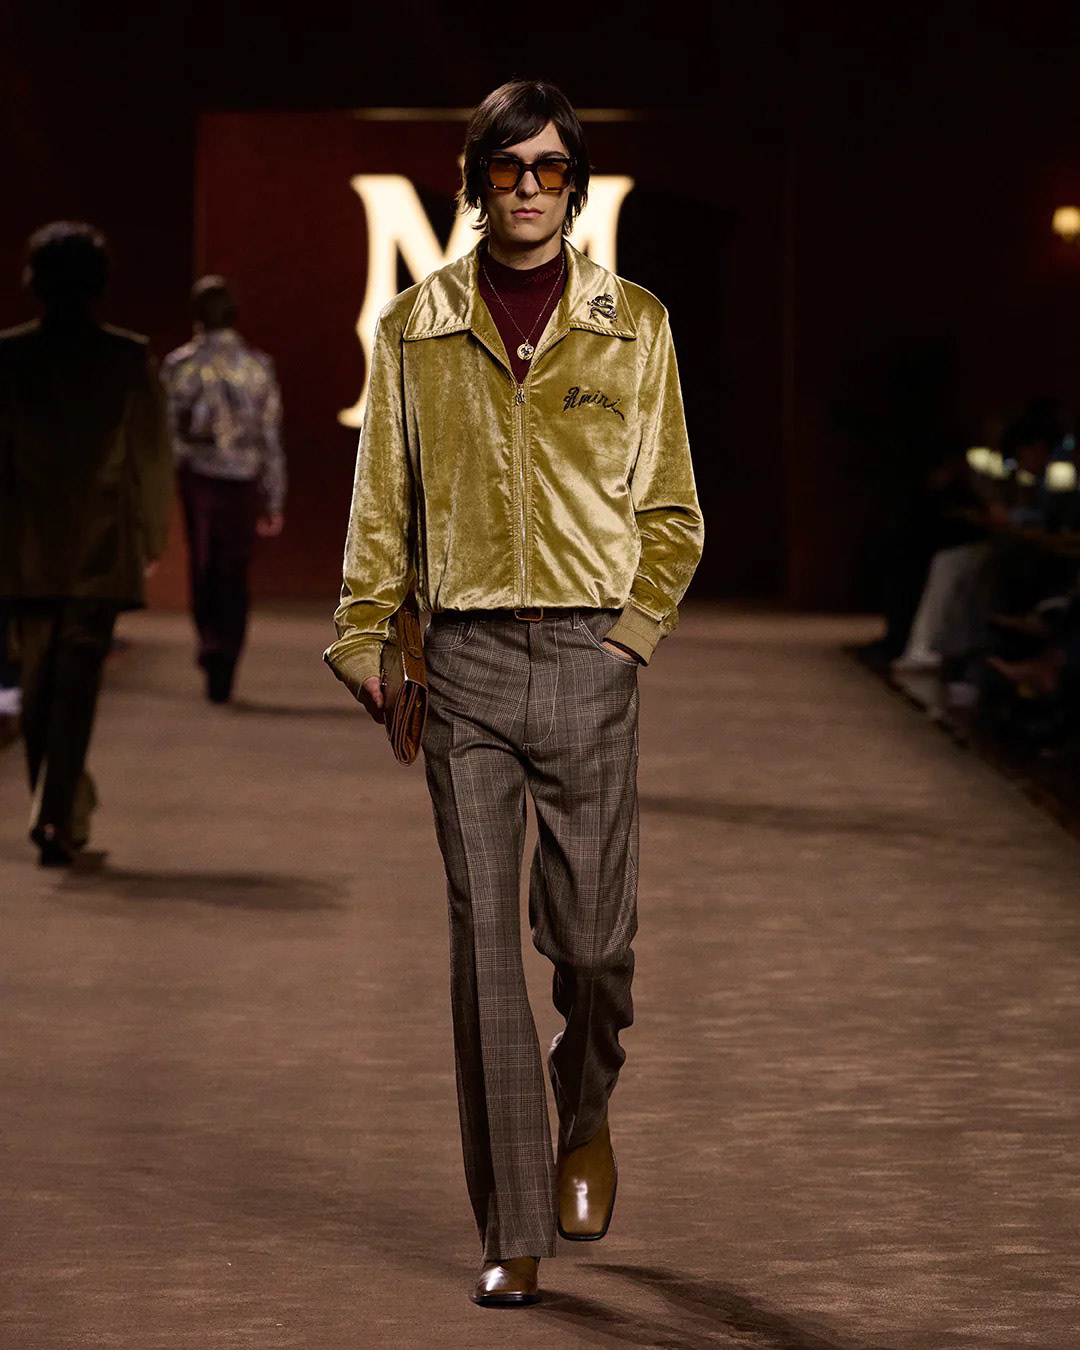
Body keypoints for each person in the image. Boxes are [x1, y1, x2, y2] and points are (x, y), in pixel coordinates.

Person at [324, 80, 704, 1306]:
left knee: (593, 946)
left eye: (549, 169)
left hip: (590, 660)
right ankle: (515, 1223)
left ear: (574, 185)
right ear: (475, 180)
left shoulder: (632, 324)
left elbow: (672, 511)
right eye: (507, 167)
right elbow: (382, 500)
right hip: (467, 666)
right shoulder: (417, 327)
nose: (529, 188)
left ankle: (584, 1105)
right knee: (483, 945)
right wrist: (367, 639)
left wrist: (631, 638)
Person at [0, 221, 172, 865]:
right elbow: (150, 457)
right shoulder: (126, 359)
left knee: (38, 684)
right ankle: (58, 816)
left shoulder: (9, 357)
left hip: (24, 544)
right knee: (73, 687)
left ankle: (57, 812)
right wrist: (151, 533)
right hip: (99, 544)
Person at [161, 277, 286, 703]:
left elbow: (167, 434)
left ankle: (213, 649)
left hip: (199, 477)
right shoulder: (257, 366)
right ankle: (225, 655)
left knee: (205, 566)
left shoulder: (180, 365)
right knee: (233, 570)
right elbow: (269, 436)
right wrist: (274, 497)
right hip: (244, 478)